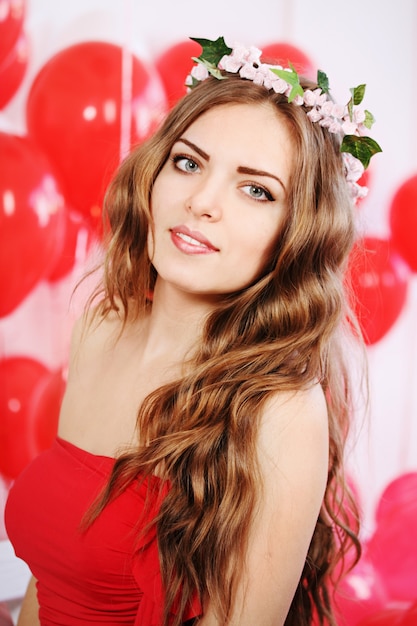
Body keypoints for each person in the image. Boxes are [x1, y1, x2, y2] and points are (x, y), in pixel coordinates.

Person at [5, 37, 380, 626]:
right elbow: (49, 580)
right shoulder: (102, 328)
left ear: (296, 235)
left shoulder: (279, 410)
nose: (202, 201)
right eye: (189, 162)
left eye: (255, 189)